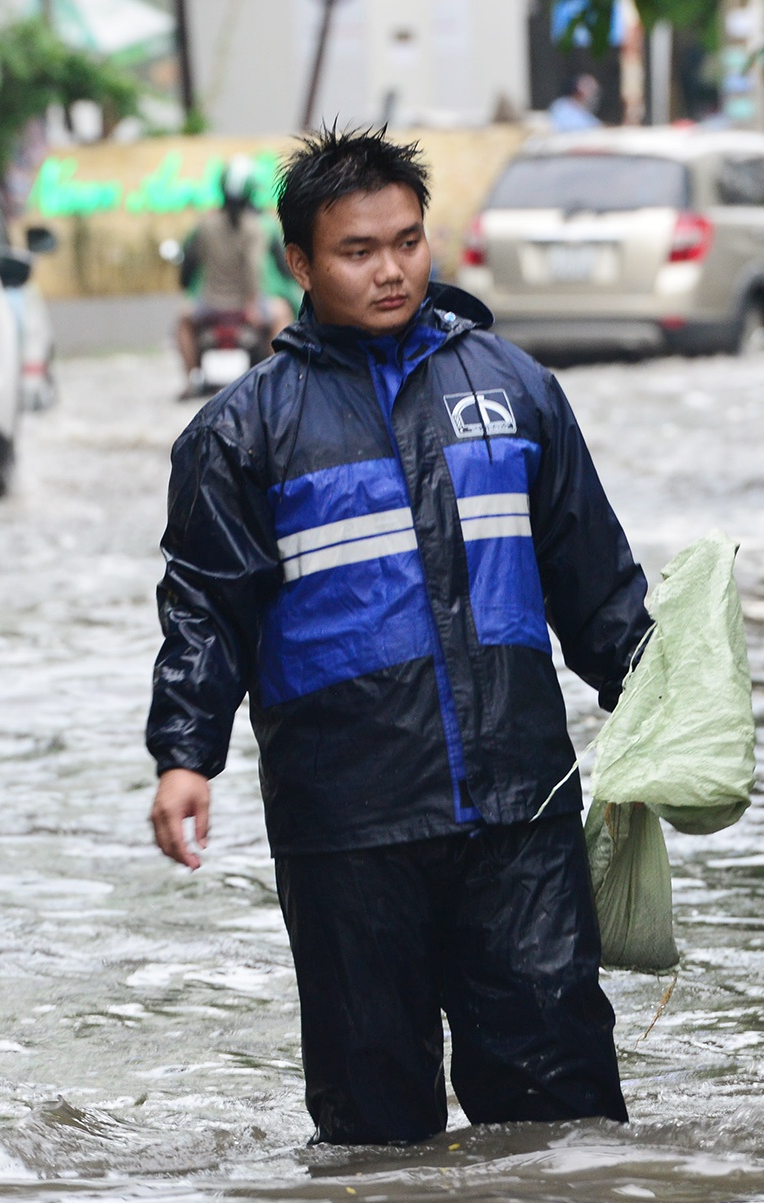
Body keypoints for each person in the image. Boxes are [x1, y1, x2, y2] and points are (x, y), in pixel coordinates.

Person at [146, 127, 650, 1146]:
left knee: (563, 1121)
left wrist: (661, 700)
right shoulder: (241, 434)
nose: (391, 270)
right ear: (299, 263)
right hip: (349, 826)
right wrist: (184, 755)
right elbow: (205, 607)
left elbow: (593, 576)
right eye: (358, 250)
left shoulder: (515, 391)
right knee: (374, 1138)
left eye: (408, 242)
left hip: (520, 807)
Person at [174, 156, 292, 399]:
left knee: (183, 320)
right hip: (246, 306)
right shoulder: (257, 227)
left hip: (210, 304)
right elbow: (253, 268)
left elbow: (190, 262)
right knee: (282, 315)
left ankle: (190, 380)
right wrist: (252, 303)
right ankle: (279, 382)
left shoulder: (205, 225)